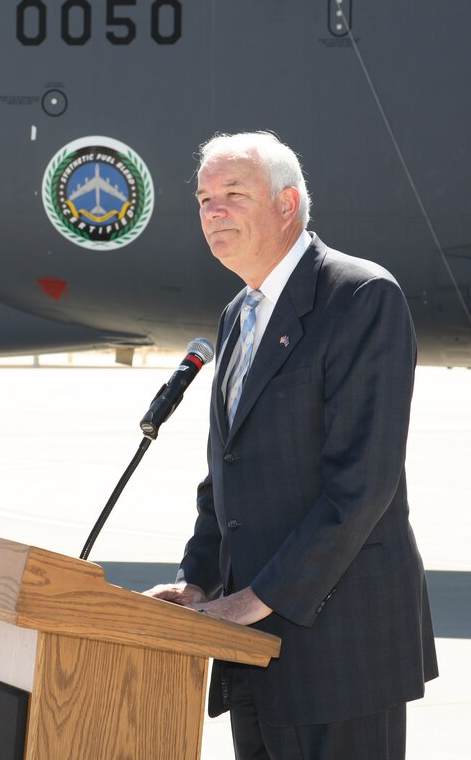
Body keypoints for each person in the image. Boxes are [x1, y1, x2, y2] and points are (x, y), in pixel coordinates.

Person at [145, 132, 437, 758]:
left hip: (341, 653)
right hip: (250, 650)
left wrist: (256, 600)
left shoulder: (359, 298)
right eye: (203, 199)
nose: (213, 211)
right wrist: (198, 583)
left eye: (232, 195)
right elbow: (225, 475)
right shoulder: (238, 314)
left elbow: (362, 484)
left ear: (287, 206)